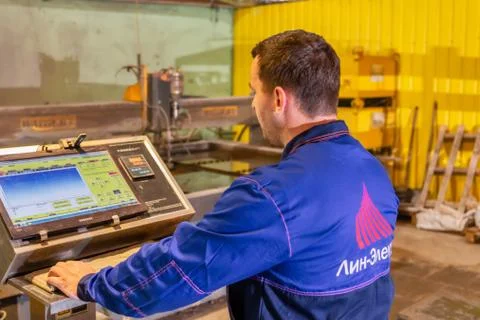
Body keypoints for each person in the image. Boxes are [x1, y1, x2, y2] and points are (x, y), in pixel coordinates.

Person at [48, 30, 399, 319]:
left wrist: (93, 282)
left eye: (253, 91)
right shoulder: (373, 170)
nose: (252, 104)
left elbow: (180, 271)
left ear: (278, 100)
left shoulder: (272, 195)